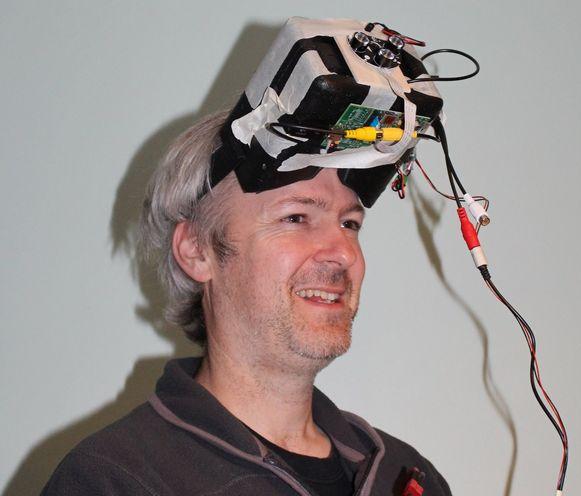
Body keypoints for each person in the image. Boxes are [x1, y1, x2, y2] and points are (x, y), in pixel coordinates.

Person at [41, 109, 451, 495]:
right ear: (196, 250)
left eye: (349, 223)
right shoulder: (114, 479)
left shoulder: (403, 474)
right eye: (296, 218)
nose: (344, 253)